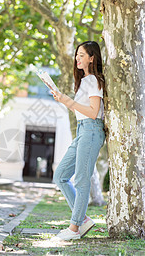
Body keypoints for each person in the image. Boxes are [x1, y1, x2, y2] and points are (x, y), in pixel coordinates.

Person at [50, 41, 106, 241]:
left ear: (92, 58)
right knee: (61, 175)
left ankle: (74, 229)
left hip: (91, 131)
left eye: (81, 55)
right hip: (83, 131)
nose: (77, 59)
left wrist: (68, 101)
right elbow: (82, 111)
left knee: (82, 180)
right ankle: (82, 220)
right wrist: (63, 99)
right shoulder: (84, 81)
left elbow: (93, 113)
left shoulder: (93, 80)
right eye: (76, 55)